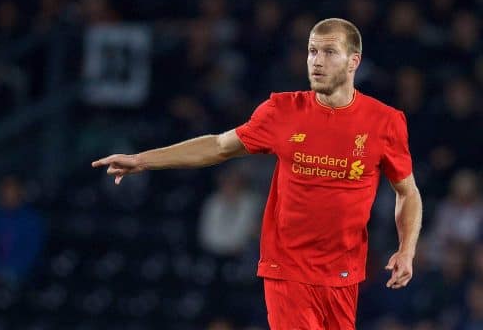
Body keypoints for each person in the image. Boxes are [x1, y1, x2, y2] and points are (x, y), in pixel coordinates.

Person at [92, 18, 423, 330]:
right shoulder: (282, 111)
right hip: (287, 268)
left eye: (329, 52)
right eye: (311, 51)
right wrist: (143, 160)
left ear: (354, 61)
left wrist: (406, 250)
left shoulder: (385, 122)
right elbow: (219, 146)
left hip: (343, 272)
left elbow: (406, 192)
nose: (316, 61)